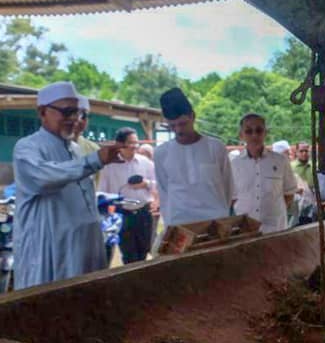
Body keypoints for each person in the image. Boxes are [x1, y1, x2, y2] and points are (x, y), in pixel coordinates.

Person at [12, 81, 124, 289]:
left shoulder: (77, 149)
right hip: (51, 250)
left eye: (78, 113)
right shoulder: (27, 147)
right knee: (49, 309)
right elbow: (44, 178)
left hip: (85, 246)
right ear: (43, 112)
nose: (74, 119)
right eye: (67, 112)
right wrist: (95, 160)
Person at [154, 87, 234, 229]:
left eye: (182, 123)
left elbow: (228, 188)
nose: (178, 130)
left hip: (215, 224)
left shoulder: (216, 148)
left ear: (193, 116)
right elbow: (164, 192)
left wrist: (221, 216)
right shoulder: (161, 153)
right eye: (172, 125)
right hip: (179, 226)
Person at [97, 127, 157, 263]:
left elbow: (159, 184)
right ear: (120, 144)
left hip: (144, 213)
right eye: (131, 143)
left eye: (136, 142)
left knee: (144, 251)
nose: (135, 146)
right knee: (129, 255)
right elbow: (102, 192)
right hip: (122, 214)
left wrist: (146, 184)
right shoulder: (109, 166)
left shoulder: (146, 163)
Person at [231, 113, 299, 234]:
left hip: (275, 230)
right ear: (241, 135)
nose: (254, 135)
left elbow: (289, 194)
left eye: (259, 130)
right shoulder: (234, 164)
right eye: (248, 131)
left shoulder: (281, 161)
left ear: (265, 133)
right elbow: (232, 199)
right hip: (244, 231)